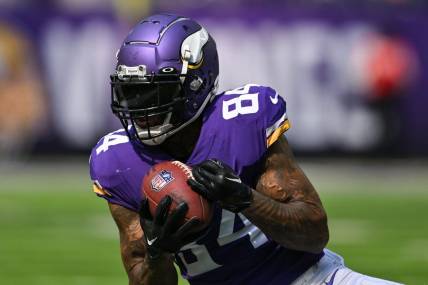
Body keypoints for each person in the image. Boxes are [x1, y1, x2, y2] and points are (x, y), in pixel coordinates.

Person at [89, 13, 401, 285]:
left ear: (195, 83)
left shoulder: (241, 123)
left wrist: (245, 198)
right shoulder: (118, 160)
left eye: (156, 94)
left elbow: (314, 234)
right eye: (133, 93)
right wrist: (158, 252)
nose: (143, 110)